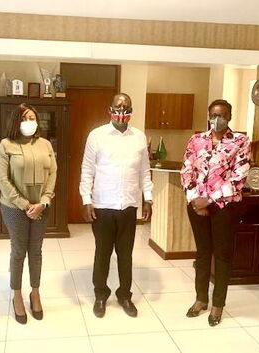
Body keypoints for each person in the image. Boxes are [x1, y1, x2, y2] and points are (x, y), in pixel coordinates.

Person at [79, 93, 153, 318]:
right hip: (102, 205)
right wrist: (86, 200)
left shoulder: (139, 137)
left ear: (132, 109)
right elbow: (87, 170)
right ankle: (100, 295)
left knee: (126, 255)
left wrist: (147, 198)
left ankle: (124, 295)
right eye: (118, 107)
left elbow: (144, 171)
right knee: (102, 253)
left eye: (126, 107)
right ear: (109, 108)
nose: (122, 111)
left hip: (128, 206)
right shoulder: (97, 136)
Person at [180, 99, 250, 326]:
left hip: (224, 206)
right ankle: (201, 299)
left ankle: (218, 304)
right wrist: (194, 200)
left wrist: (207, 200)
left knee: (222, 255)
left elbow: (238, 178)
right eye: (213, 114)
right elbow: (187, 169)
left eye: (222, 114)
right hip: (196, 205)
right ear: (208, 115)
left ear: (229, 116)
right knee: (202, 253)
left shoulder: (240, 141)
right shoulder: (196, 140)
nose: (217, 119)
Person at [0, 103, 57, 324]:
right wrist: (24, 204)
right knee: (19, 251)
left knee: (36, 251)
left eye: (33, 118)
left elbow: (52, 173)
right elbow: (3, 180)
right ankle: (17, 295)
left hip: (41, 206)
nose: (30, 122)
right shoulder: (6, 145)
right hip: (14, 208)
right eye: (25, 118)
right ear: (16, 122)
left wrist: (43, 201)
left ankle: (35, 292)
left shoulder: (45, 144)